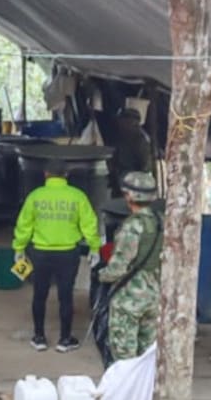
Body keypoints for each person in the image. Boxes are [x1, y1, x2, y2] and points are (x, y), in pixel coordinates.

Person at [12, 160, 101, 352]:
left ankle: (39, 337)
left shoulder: (35, 196)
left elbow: (24, 225)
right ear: (66, 175)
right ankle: (65, 339)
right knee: (66, 295)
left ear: (46, 174)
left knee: (39, 294)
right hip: (68, 253)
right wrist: (94, 248)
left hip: (40, 252)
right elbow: (89, 225)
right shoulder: (77, 197)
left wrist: (19, 248)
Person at [98, 171, 163, 360]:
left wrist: (101, 274)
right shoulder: (162, 222)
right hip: (154, 296)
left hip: (129, 300)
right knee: (147, 356)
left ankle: (127, 390)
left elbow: (118, 268)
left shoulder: (132, 226)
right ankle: (145, 389)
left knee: (124, 358)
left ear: (129, 196)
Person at [113, 107, 154, 176]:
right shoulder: (120, 136)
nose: (120, 123)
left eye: (125, 120)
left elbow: (146, 166)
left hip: (136, 178)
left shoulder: (141, 139)